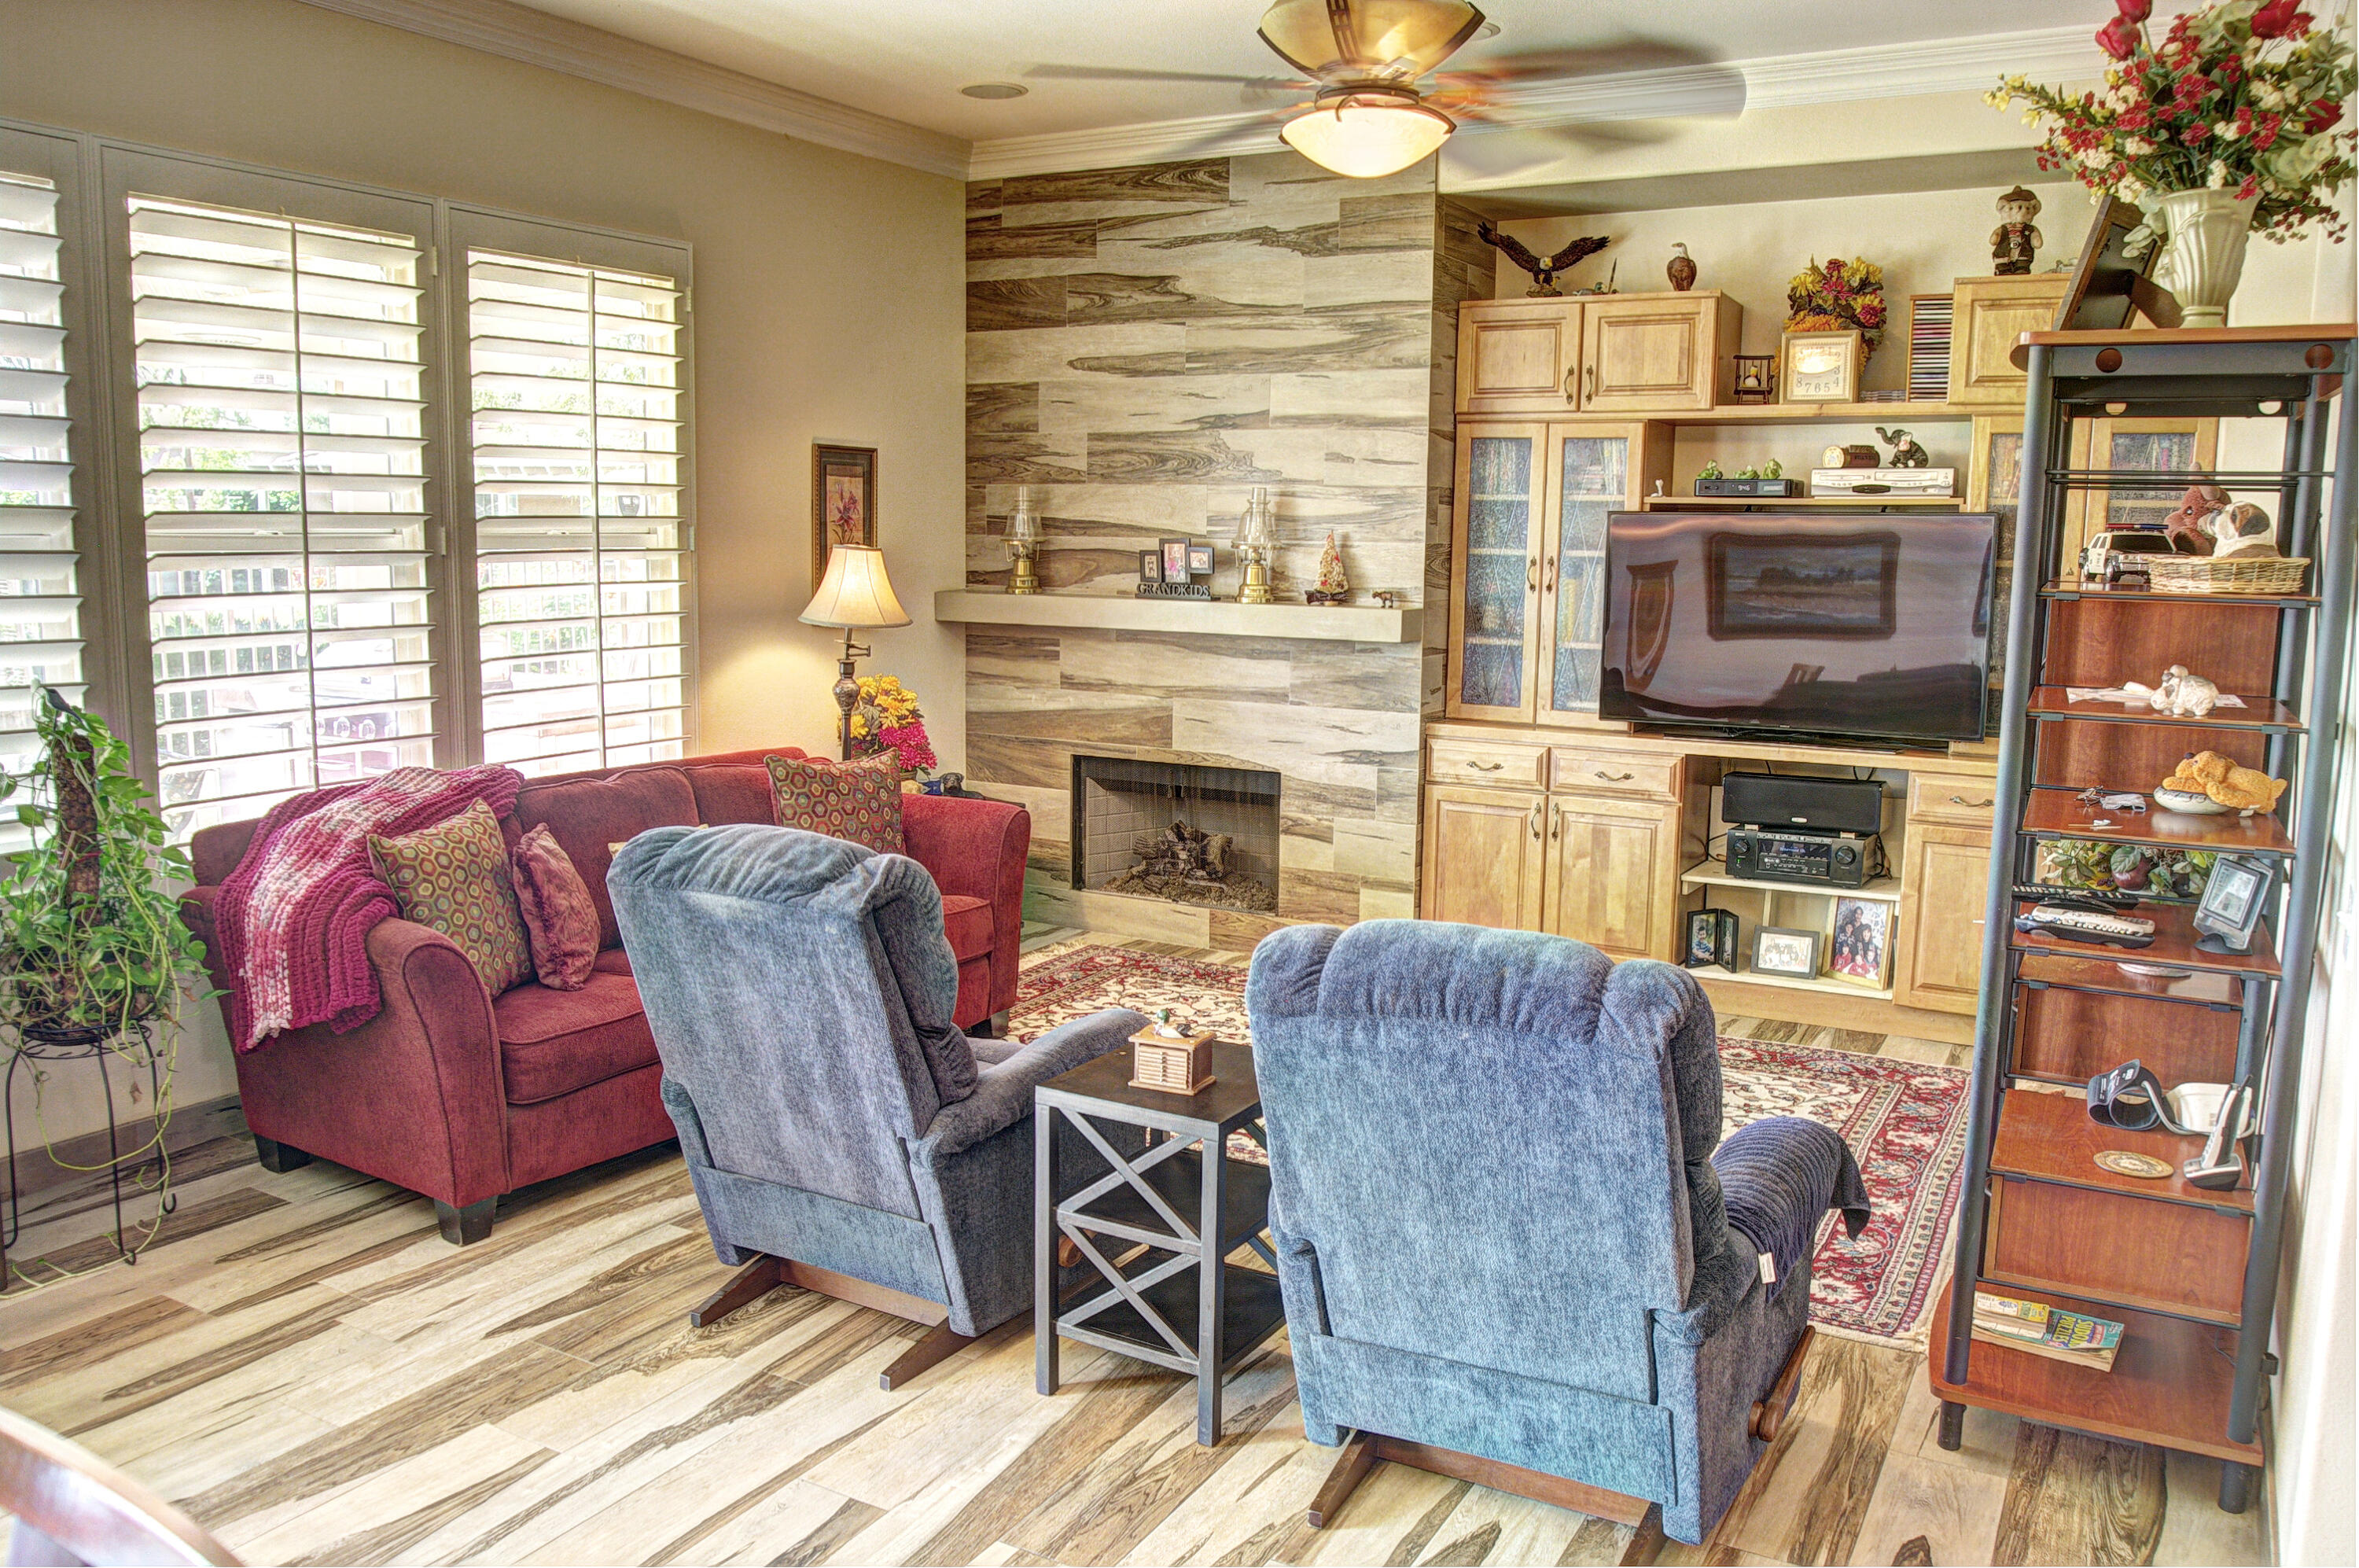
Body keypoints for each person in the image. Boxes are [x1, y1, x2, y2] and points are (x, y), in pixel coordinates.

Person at [1991, 186, 2043, 275]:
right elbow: (1994, 240)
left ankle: (2021, 268)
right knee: (2003, 268)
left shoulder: (2029, 229)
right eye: (2011, 209)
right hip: (2004, 253)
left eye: (2026, 209)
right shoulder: (2003, 229)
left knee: (2022, 267)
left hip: (2023, 253)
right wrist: (1995, 237)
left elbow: (2036, 240)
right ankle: (2003, 270)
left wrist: (2036, 240)